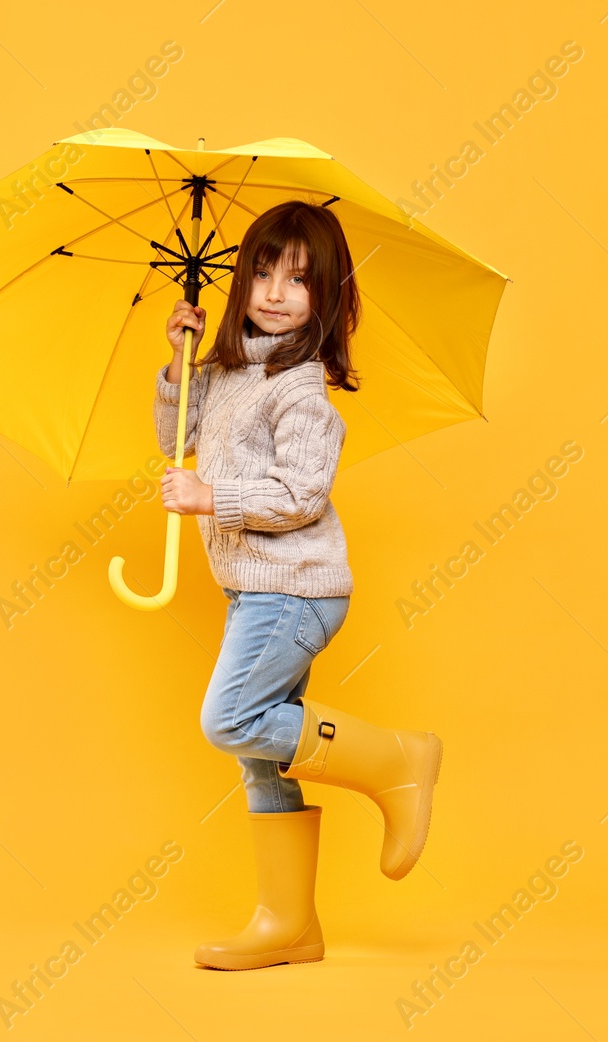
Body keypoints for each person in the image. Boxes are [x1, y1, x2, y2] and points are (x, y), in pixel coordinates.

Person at [153, 199, 443, 971]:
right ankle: (288, 923)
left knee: (231, 719)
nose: (277, 292)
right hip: (254, 588)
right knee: (260, 753)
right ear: (240, 278)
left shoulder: (301, 389)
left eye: (301, 280)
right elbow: (179, 436)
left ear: (330, 300)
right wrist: (180, 368)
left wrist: (212, 499)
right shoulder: (227, 372)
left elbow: (300, 494)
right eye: (264, 271)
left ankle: (395, 760)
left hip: (297, 590)